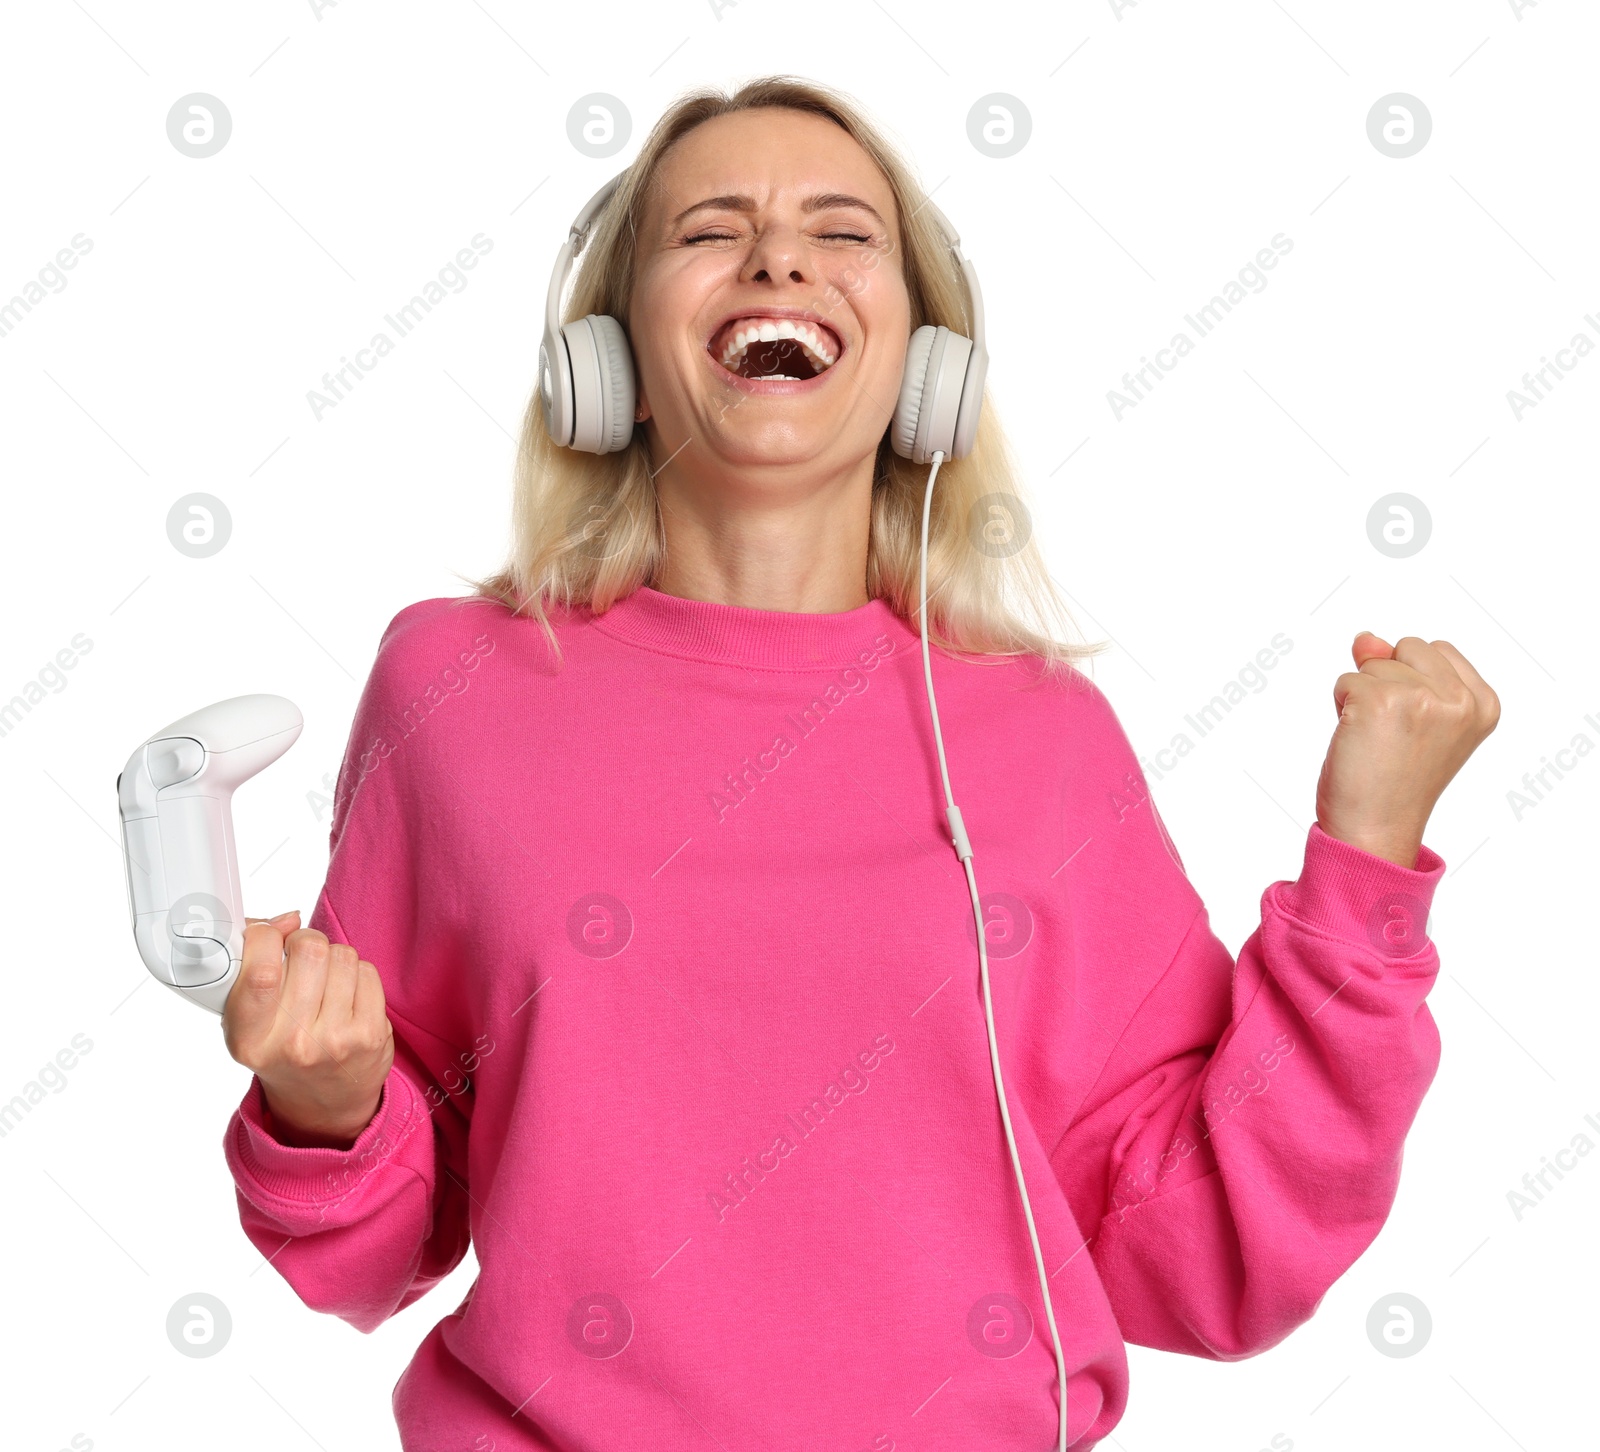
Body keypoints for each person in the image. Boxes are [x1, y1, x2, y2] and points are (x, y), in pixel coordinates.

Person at [219, 75, 1500, 1451]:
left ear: (924, 371)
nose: (780, 258)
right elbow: (372, 1250)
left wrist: (1366, 866)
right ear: (607, 363)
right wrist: (323, 1102)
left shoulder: (1040, 740)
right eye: (713, 228)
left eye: (842, 232)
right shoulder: (454, 686)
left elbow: (1205, 1255)